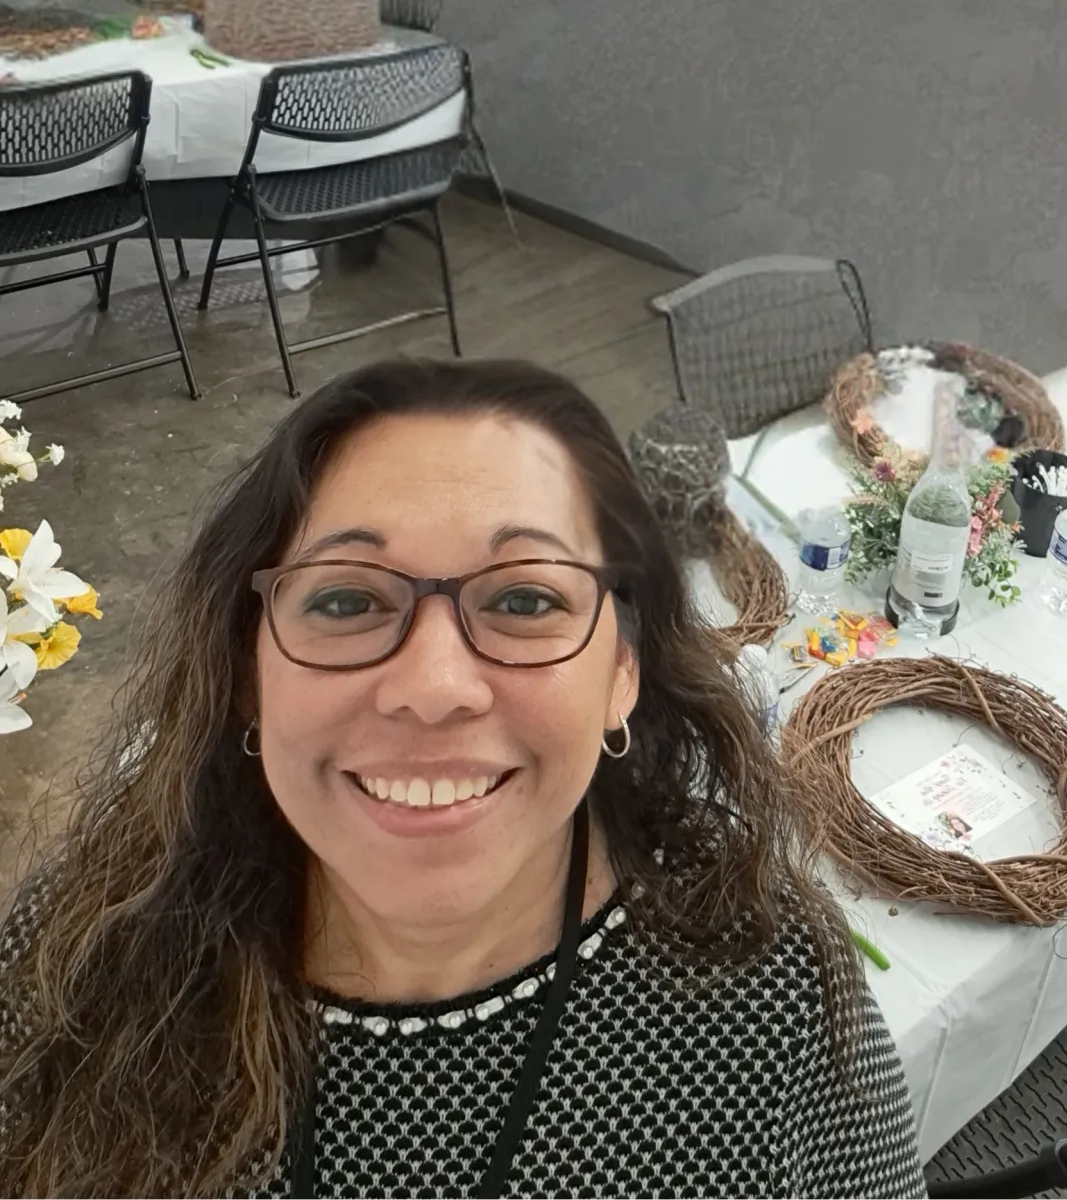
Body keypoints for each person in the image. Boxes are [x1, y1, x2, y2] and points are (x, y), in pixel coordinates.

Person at [0, 358, 926, 1198]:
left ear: (622, 673)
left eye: (525, 598)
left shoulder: (765, 983)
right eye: (347, 599)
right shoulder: (72, 963)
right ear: (246, 679)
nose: (433, 688)